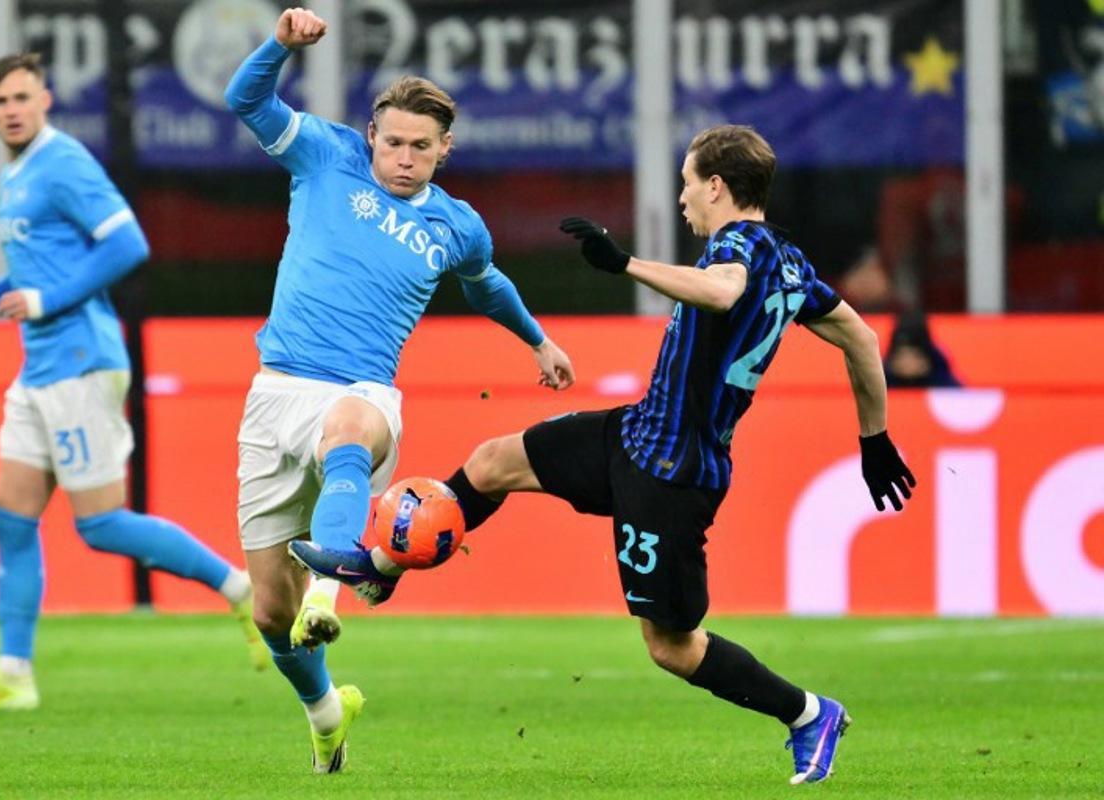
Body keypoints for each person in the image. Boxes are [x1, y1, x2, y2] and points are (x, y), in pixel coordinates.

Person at [294, 125, 916, 785]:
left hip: (672, 475)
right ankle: (381, 566)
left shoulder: (739, 248)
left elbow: (725, 291)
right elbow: (861, 339)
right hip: (635, 434)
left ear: (716, 186)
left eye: (686, 183)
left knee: (671, 648)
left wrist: (626, 265)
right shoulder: (792, 264)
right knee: (492, 461)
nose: (681, 200)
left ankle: (809, 714)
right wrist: (873, 439)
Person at [225, 8, 574, 773]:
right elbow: (246, 103)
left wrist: (537, 339)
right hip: (274, 393)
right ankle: (325, 713)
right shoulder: (325, 155)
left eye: (422, 146)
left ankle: (332, 591)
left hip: (363, 392)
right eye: (394, 143)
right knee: (269, 612)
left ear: (445, 149)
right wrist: (280, 46)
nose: (405, 158)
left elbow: (487, 287)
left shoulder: (457, 226)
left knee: (349, 429)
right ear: (372, 136)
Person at [0, 54, 267, 714]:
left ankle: (241, 589)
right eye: (0, 99)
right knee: (10, 517)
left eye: (22, 97)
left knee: (103, 525)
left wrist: (44, 301)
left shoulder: (63, 162)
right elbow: (39, 265)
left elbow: (126, 247)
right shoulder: (17, 172)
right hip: (40, 367)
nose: (11, 109)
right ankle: (13, 674)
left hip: (83, 360)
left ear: (45, 99)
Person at [883, 309, 961, 388]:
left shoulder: (943, 379)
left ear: (927, 359)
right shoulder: (883, 379)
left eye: (915, 356)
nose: (907, 363)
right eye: (900, 356)